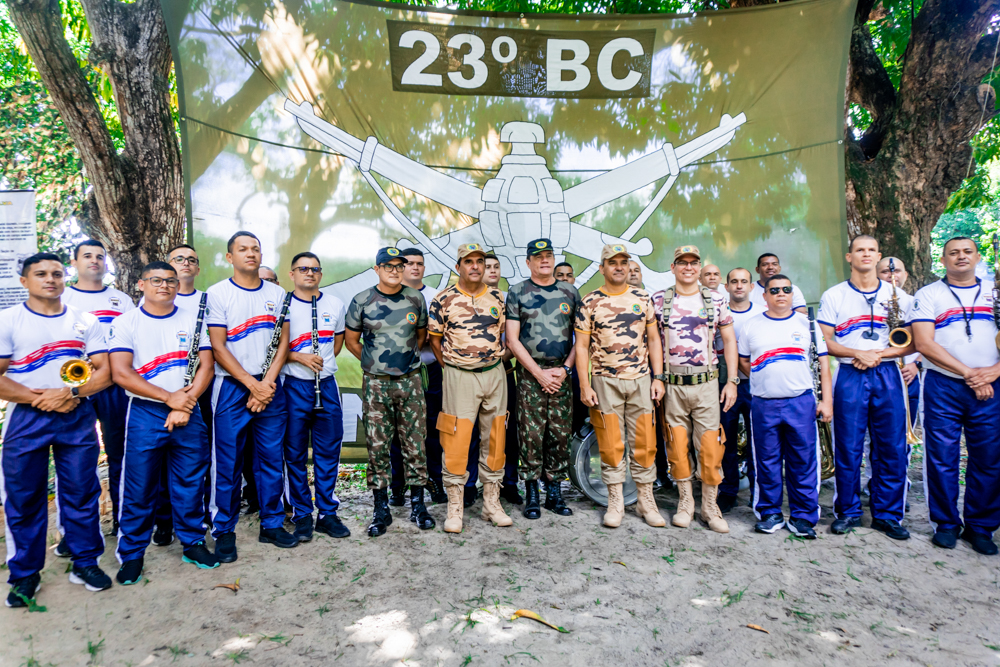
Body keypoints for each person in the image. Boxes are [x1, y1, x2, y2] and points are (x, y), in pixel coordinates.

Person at [1, 253, 114, 607]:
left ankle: (84, 563)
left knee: (81, 491)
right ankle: (24, 575)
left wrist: (71, 393)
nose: (50, 279)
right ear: (24, 281)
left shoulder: (84, 320)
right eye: (40, 274)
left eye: (56, 273)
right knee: (24, 498)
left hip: (76, 415)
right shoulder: (8, 321)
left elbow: (105, 371)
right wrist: (41, 399)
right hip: (27, 417)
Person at [108, 262, 218, 584]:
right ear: (141, 284)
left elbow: (206, 367)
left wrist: (185, 402)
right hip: (145, 411)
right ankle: (132, 555)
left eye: (170, 280)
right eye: (156, 280)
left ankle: (192, 542)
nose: (164, 286)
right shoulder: (125, 322)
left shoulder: (192, 318)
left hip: (189, 408)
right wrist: (168, 398)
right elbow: (121, 373)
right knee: (139, 486)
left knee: (190, 482)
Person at [206, 231, 296, 562]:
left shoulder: (277, 293)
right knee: (227, 462)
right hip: (231, 387)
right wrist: (250, 384)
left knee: (272, 459)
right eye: (243, 249)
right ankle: (224, 530)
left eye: (256, 248)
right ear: (230, 257)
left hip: (270, 386)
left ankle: (271, 523)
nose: (250, 253)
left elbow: (284, 341)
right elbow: (218, 346)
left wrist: (266, 383)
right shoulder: (217, 293)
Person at [818, 235, 913, 540]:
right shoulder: (834, 295)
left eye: (872, 250)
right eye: (860, 250)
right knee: (848, 446)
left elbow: (910, 341)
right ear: (850, 257)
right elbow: (825, 342)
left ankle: (887, 515)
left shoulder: (899, 295)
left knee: (892, 446)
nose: (866, 254)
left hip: (887, 373)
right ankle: (848, 512)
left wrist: (876, 355)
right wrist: (856, 353)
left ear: (879, 256)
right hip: (850, 374)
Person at [912, 237, 1000, 555]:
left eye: (966, 252)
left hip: (992, 384)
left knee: (989, 457)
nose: (960, 257)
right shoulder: (928, 295)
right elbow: (924, 343)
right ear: (943, 259)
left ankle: (980, 527)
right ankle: (946, 524)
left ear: (977, 256)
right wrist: (970, 373)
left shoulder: (995, 291)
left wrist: (992, 372)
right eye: (953, 253)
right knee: (941, 457)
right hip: (944, 385)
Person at [345, 247, 435, 536]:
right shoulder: (362, 300)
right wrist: (375, 364)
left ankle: (418, 505)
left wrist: (401, 362)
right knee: (378, 445)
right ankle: (381, 508)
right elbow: (351, 340)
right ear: (377, 269)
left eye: (400, 265)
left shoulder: (415, 298)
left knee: (415, 443)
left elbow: (421, 337)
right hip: (376, 383)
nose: (394, 270)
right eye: (388, 266)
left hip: (410, 381)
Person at [575, 244, 665, 528]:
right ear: (602, 268)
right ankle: (615, 500)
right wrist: (584, 384)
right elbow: (581, 347)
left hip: (639, 379)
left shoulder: (642, 297)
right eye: (612, 263)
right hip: (605, 381)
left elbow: (653, 340)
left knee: (645, 442)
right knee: (611, 443)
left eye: (623, 262)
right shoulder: (589, 301)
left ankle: (645, 501)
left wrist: (658, 377)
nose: (618, 267)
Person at [738, 274, 832, 539]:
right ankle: (769, 513)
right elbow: (745, 361)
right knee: (766, 460)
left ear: (793, 294)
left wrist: (826, 401)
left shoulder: (809, 325)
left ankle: (803, 517)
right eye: (774, 290)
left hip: (800, 401)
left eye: (786, 289)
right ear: (765, 296)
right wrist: (765, 379)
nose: (781, 293)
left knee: (802, 460)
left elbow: (823, 364)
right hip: (764, 403)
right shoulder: (751, 326)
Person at [428, 243, 511, 532]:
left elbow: (504, 337)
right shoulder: (443, 299)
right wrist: (452, 366)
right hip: (458, 375)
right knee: (456, 437)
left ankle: (491, 503)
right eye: (469, 262)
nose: (475, 266)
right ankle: (455, 507)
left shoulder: (498, 298)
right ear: (458, 267)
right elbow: (434, 341)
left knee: (496, 435)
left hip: (494, 373)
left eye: (480, 261)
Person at [654, 245, 737, 533]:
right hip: (674, 385)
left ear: (699, 267)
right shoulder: (659, 300)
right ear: (673, 266)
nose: (688, 267)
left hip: (707, 384)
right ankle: (686, 503)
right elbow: (652, 343)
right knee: (677, 446)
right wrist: (657, 378)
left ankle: (709, 507)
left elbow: (729, 340)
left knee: (711, 447)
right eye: (682, 262)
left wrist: (732, 381)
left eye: (693, 263)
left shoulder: (716, 299)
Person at [61, 239, 134, 537]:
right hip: (74, 386)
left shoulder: (122, 300)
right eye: (87, 256)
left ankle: (122, 520)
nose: (95, 261)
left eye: (100, 257)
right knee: (76, 460)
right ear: (75, 262)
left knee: (119, 454)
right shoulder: (62, 297)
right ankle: (74, 530)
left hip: (115, 386)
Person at [505, 239, 580, 519]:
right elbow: (512, 339)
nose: (544, 260)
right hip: (529, 375)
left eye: (548, 255)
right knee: (531, 435)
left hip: (560, 374)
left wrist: (565, 370)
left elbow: (581, 339)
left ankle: (554, 493)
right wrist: (538, 374)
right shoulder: (517, 292)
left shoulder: (570, 292)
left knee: (559, 435)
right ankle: (532, 492)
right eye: (538, 257)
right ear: (528, 262)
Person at [282, 252, 351, 541]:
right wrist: (298, 357)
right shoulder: (282, 305)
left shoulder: (334, 303)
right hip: (293, 385)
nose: (309, 273)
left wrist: (320, 363)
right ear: (292, 274)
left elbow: (337, 343)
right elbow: (270, 348)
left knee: (328, 451)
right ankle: (301, 514)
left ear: (321, 274)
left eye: (315, 269)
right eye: (303, 269)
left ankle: (327, 513)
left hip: (326, 385)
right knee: (294, 453)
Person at [392, 247, 448, 505]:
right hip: (396, 372)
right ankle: (398, 484)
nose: (415, 267)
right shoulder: (388, 294)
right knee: (396, 431)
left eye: (420, 264)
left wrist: (424, 340)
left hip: (430, 370)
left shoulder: (436, 297)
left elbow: (442, 336)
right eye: (410, 263)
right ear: (401, 267)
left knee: (432, 429)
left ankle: (434, 481)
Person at [718, 268, 757, 512]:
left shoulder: (762, 314)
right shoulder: (719, 312)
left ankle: (758, 490)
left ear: (752, 287)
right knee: (727, 441)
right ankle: (729, 490)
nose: (739, 286)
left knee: (758, 441)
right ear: (727, 286)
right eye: (734, 282)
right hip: (726, 385)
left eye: (744, 282)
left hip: (755, 386)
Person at [484, 252, 521, 505]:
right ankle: (470, 484)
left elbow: (514, 341)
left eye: (497, 266)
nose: (493, 271)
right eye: (488, 267)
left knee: (507, 432)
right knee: (473, 432)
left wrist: (498, 360)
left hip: (504, 373)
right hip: (472, 377)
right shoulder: (466, 299)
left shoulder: (510, 300)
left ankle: (509, 484)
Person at [877, 256, 921, 424]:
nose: (891, 275)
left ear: (906, 275)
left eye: (896, 270)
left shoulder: (916, 302)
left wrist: (916, 364)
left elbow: (931, 339)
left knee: (904, 427)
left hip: (907, 374)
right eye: (885, 271)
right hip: (879, 372)